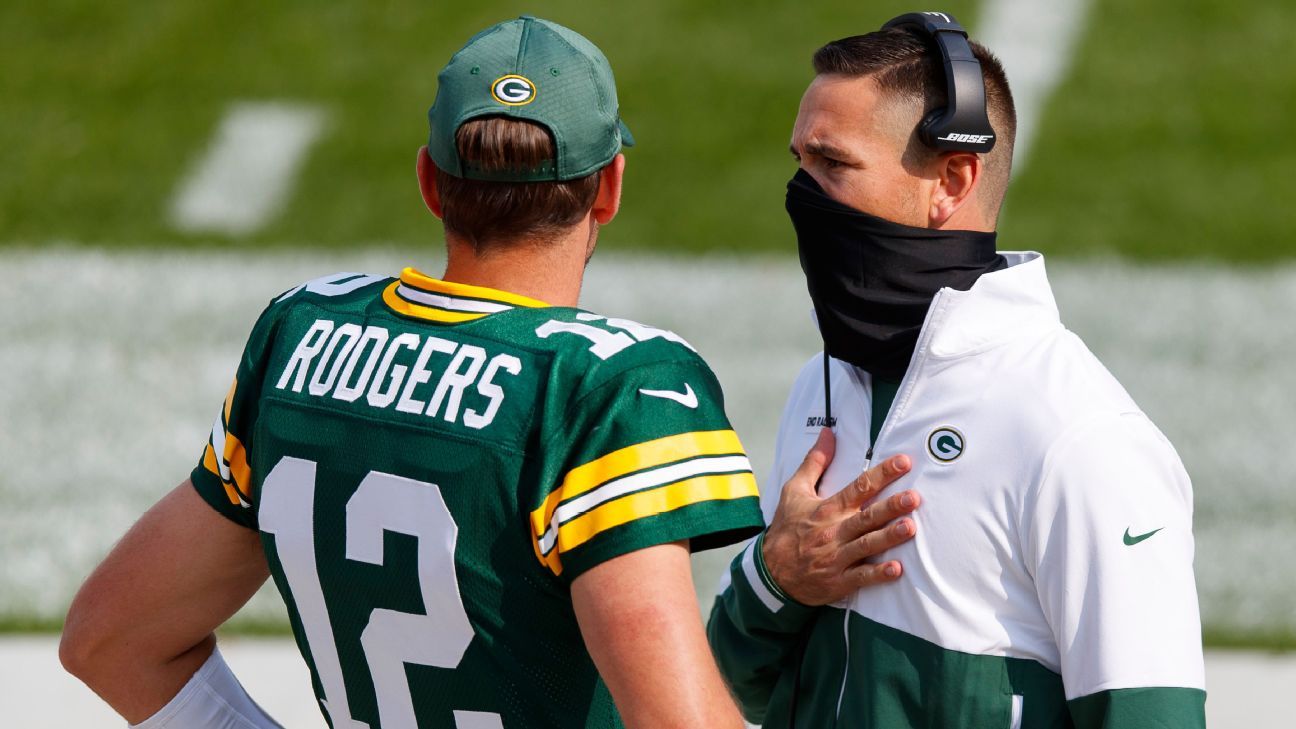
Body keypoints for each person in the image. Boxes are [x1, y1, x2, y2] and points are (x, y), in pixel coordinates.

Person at [60, 15, 924, 729]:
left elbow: (110, 639)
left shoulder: (304, 332)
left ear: (432, 181)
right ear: (610, 186)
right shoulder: (613, 385)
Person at [707, 12, 1206, 728]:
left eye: (833, 164)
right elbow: (736, 688)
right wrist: (776, 576)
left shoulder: (1080, 438)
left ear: (953, 179)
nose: (801, 194)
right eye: (800, 163)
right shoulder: (826, 386)